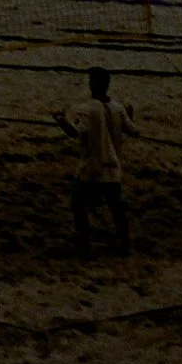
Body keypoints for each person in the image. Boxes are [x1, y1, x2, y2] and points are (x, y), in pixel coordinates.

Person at [53, 67, 135, 258]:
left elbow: (75, 132)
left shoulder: (87, 110)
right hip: (113, 166)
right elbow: (133, 130)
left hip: (93, 167)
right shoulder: (118, 108)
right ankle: (125, 245)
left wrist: (60, 120)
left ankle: (84, 245)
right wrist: (130, 114)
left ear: (92, 84)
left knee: (77, 203)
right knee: (116, 207)